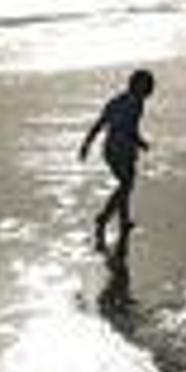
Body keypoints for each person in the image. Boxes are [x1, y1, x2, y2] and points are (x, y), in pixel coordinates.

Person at [80, 69, 156, 251]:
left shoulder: (117, 100)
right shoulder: (136, 104)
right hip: (120, 150)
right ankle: (104, 216)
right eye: (148, 87)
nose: (149, 91)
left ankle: (124, 220)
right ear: (141, 88)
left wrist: (86, 145)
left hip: (111, 149)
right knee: (126, 185)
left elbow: (100, 124)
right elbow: (129, 129)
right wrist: (140, 142)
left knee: (125, 183)